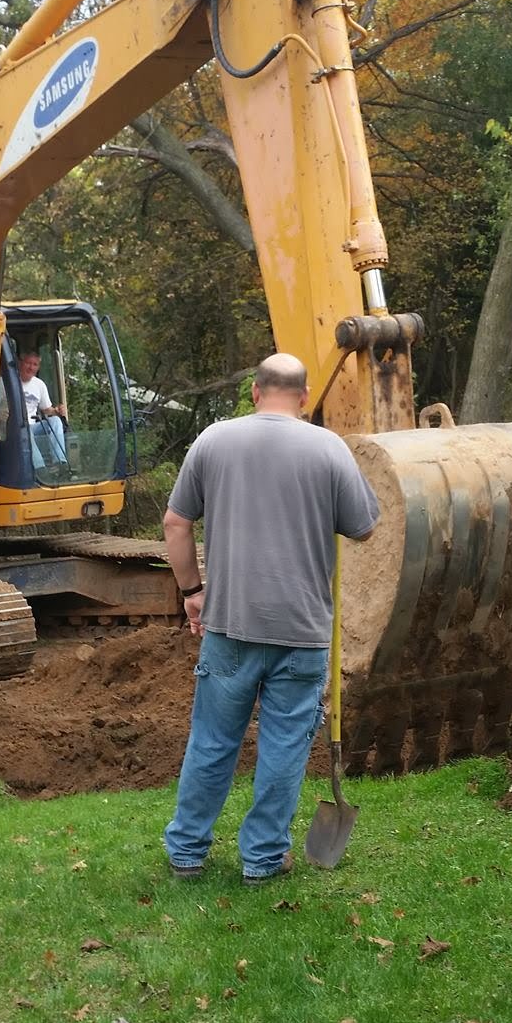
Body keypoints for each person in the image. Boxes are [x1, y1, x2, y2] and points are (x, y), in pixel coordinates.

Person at [161, 352, 378, 883]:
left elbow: (175, 523)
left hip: (231, 626)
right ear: (305, 398)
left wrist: (192, 591)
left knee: (213, 741)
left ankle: (187, 853)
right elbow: (365, 527)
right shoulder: (328, 448)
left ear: (256, 392)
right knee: (282, 746)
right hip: (303, 633)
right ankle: (261, 861)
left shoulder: (213, 440)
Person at [17, 344, 67, 463]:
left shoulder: (39, 384)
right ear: (20, 363)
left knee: (55, 421)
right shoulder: (5, 383)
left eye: (35, 364)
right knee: (25, 430)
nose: (31, 367)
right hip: (14, 429)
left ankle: (60, 463)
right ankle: (40, 469)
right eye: (28, 363)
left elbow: (46, 409)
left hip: (33, 427)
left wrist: (57, 411)